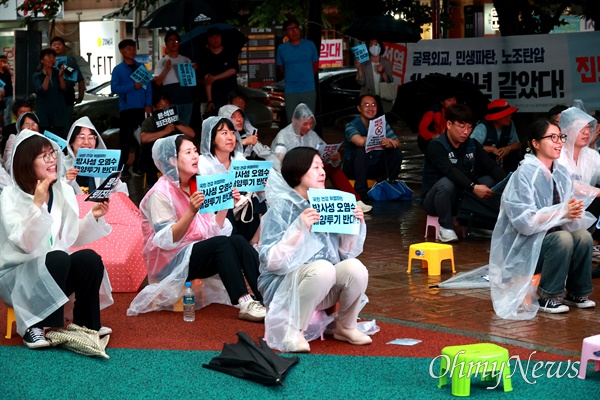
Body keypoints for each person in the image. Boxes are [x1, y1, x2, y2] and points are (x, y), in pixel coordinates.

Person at [126, 134, 266, 322]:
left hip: (195, 252)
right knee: (222, 244)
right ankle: (245, 302)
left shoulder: (196, 184)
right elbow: (166, 241)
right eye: (188, 152)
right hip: (169, 262)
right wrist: (191, 211)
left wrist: (226, 205)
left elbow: (212, 230)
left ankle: (267, 297)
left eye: (195, 151)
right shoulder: (159, 194)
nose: (195, 156)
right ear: (172, 160)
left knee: (237, 241)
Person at [0, 130, 114, 348]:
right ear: (27, 162)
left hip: (55, 268)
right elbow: (23, 244)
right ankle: (38, 325)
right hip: (19, 277)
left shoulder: (61, 190)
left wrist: (93, 217)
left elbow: (68, 236)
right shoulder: (10, 197)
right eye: (44, 156)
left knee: (89, 258)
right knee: (58, 257)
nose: (52, 160)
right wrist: (37, 205)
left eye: (52, 154)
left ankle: (87, 323)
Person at [258, 147, 371, 352]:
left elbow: (346, 254)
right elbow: (270, 261)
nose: (322, 172)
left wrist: (354, 227)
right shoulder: (282, 207)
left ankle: (346, 326)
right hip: (285, 286)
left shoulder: (327, 203)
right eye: (315, 167)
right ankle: (293, 331)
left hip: (321, 284)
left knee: (356, 268)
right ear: (298, 173)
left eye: (322, 166)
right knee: (323, 269)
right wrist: (298, 229)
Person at [489, 119, 596, 319]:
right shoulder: (524, 175)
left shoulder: (561, 173)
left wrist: (572, 212)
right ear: (535, 143)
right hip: (525, 248)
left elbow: (565, 214)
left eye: (560, 137)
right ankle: (548, 295)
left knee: (583, 236)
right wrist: (561, 211)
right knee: (562, 238)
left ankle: (577, 292)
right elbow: (524, 222)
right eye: (552, 137)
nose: (559, 142)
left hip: (550, 244)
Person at [421, 104, 506, 242]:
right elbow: (450, 171)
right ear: (449, 124)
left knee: (490, 180)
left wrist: (510, 183)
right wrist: (473, 187)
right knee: (447, 182)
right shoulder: (436, 146)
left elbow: (491, 166)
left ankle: (480, 224)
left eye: (469, 127)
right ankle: (446, 228)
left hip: (463, 196)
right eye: (461, 127)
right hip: (435, 201)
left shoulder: (472, 144)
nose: (466, 132)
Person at [272, 103, 372, 213]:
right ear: (295, 122)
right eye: (305, 124)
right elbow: (278, 162)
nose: (308, 127)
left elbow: (324, 149)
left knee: (332, 168)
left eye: (310, 124)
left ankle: (355, 200)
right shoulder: (284, 135)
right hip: (295, 173)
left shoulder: (312, 135)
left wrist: (333, 156)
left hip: (311, 170)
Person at [198, 116, 265, 244]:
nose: (230, 137)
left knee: (259, 198)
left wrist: (261, 185)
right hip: (217, 214)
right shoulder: (203, 163)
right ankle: (234, 245)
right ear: (212, 139)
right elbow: (207, 200)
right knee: (225, 200)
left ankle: (255, 242)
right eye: (224, 133)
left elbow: (252, 186)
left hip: (240, 208)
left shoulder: (239, 158)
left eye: (232, 133)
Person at [556, 107, 600, 266]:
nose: (586, 132)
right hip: (560, 208)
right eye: (581, 128)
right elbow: (568, 184)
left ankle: (595, 243)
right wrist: (597, 192)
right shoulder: (557, 153)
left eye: (588, 128)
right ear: (566, 131)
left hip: (585, 205)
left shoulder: (591, 155)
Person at [343, 95, 402, 202]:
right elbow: (360, 141)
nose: (370, 108)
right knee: (361, 151)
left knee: (396, 151)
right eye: (366, 105)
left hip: (373, 165)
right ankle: (361, 193)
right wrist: (380, 138)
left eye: (373, 105)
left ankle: (388, 184)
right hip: (354, 168)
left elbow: (397, 142)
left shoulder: (381, 123)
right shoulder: (351, 125)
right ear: (359, 108)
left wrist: (391, 142)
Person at [111, 39, 152, 177]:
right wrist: (132, 87)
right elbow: (114, 88)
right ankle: (122, 169)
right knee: (126, 140)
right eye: (128, 49)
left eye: (133, 49)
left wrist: (148, 104)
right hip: (127, 110)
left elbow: (149, 87)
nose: (132, 52)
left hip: (141, 109)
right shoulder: (118, 69)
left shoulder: (141, 67)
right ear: (122, 51)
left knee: (142, 138)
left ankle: (138, 167)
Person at [140, 93, 195, 188]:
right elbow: (144, 138)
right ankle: (152, 185)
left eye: (167, 106)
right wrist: (165, 131)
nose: (164, 109)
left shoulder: (175, 119)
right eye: (161, 106)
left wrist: (177, 124)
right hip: (154, 159)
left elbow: (192, 134)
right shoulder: (149, 121)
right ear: (154, 108)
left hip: (174, 157)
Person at [64, 116, 129, 195]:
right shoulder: (62, 165)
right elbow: (55, 197)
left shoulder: (104, 165)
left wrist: (115, 181)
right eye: (82, 137)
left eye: (91, 137)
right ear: (71, 142)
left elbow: (123, 194)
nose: (86, 142)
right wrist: (66, 181)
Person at [276, 19, 319, 123]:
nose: (293, 31)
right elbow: (281, 68)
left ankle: (309, 140)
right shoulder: (282, 48)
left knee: (309, 121)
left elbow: (315, 66)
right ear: (285, 33)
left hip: (308, 89)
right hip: (291, 90)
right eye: (290, 29)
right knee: (292, 121)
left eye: (296, 28)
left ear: (300, 30)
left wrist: (305, 77)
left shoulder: (310, 45)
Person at [153, 31, 194, 126]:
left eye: (175, 40)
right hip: (171, 100)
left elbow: (191, 81)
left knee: (185, 127)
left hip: (186, 98)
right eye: (170, 40)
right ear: (166, 43)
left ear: (179, 43)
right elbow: (158, 82)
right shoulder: (161, 62)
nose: (173, 43)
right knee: (171, 128)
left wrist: (194, 70)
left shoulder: (186, 60)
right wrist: (167, 69)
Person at [470, 99, 522, 173]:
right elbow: (470, 146)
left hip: (503, 167)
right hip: (483, 168)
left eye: (510, 114)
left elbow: (517, 143)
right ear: (496, 117)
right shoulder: (482, 127)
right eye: (506, 115)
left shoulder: (510, 124)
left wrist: (508, 148)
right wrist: (491, 149)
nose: (510, 116)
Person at [196, 27, 239, 115]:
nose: (215, 39)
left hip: (230, 95)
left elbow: (233, 70)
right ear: (208, 39)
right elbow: (207, 78)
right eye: (212, 37)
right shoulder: (204, 56)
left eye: (217, 37)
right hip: (215, 98)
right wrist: (209, 100)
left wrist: (215, 78)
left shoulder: (229, 52)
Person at [32, 48, 69, 138]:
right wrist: (48, 76)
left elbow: (64, 89)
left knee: (59, 135)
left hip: (58, 111)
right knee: (45, 136)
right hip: (44, 112)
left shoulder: (58, 73)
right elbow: (42, 90)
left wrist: (60, 77)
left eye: (53, 57)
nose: (51, 59)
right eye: (48, 56)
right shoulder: (37, 75)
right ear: (42, 60)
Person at [50, 37, 85, 128]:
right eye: (54, 45)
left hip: (66, 99)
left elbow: (80, 80)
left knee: (66, 125)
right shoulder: (46, 61)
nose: (57, 47)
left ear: (64, 47)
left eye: (59, 44)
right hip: (50, 99)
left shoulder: (70, 61)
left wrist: (80, 97)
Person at [354, 39, 393, 113]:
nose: (374, 47)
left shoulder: (386, 63)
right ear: (368, 48)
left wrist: (382, 72)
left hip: (383, 99)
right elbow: (361, 82)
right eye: (371, 45)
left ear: (380, 47)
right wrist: (359, 68)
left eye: (376, 45)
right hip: (368, 97)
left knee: (382, 121)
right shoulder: (364, 63)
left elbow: (389, 81)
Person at [0, 54, 14, 127]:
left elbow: (12, 74)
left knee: (8, 114)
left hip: (9, 95)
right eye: (1, 61)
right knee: (1, 114)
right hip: (0, 96)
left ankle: (7, 129)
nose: (3, 63)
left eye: (5, 61)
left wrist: (7, 69)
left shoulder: (8, 70)